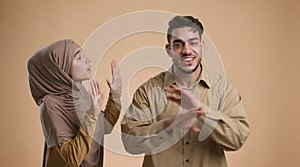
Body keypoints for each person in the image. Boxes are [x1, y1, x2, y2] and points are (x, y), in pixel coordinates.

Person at [121, 15, 250, 167]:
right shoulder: (148, 91)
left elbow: (237, 139)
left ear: (202, 45)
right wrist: (168, 126)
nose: (186, 50)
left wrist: (202, 111)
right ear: (168, 50)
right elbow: (130, 142)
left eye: (193, 43)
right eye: (178, 45)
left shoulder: (224, 90)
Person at [27, 39, 122, 167]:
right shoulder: (51, 105)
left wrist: (115, 94)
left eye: (83, 55)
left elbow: (104, 127)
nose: (88, 59)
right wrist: (92, 115)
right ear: (60, 68)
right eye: (78, 58)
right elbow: (72, 158)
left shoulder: (81, 94)